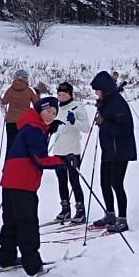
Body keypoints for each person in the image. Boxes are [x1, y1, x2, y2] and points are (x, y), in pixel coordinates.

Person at [0, 96, 67, 277]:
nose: (50, 116)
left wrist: (48, 130)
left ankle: (6, 258)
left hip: (11, 181)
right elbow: (41, 159)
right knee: (27, 223)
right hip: (23, 183)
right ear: (38, 110)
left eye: (54, 113)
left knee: (11, 221)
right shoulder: (34, 129)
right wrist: (63, 161)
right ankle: (33, 266)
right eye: (47, 111)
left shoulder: (30, 125)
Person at [89, 71, 137, 233]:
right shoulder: (108, 101)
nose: (96, 93)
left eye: (98, 90)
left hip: (121, 151)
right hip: (109, 150)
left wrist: (104, 123)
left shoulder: (118, 103)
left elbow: (126, 129)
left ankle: (122, 219)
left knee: (116, 184)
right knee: (104, 183)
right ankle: (110, 214)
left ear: (105, 89)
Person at [50, 81, 91, 224]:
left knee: (74, 180)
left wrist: (74, 122)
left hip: (72, 150)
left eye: (64, 94)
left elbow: (86, 128)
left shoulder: (77, 107)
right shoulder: (56, 108)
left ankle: (80, 210)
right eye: (59, 94)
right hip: (58, 149)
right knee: (61, 181)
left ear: (70, 94)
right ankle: (65, 209)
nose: (61, 97)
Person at [0, 70, 39, 153]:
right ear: (26, 79)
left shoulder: (10, 89)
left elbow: (4, 102)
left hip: (10, 122)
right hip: (24, 122)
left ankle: (9, 163)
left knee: (11, 144)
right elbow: (37, 104)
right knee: (23, 144)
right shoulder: (29, 90)